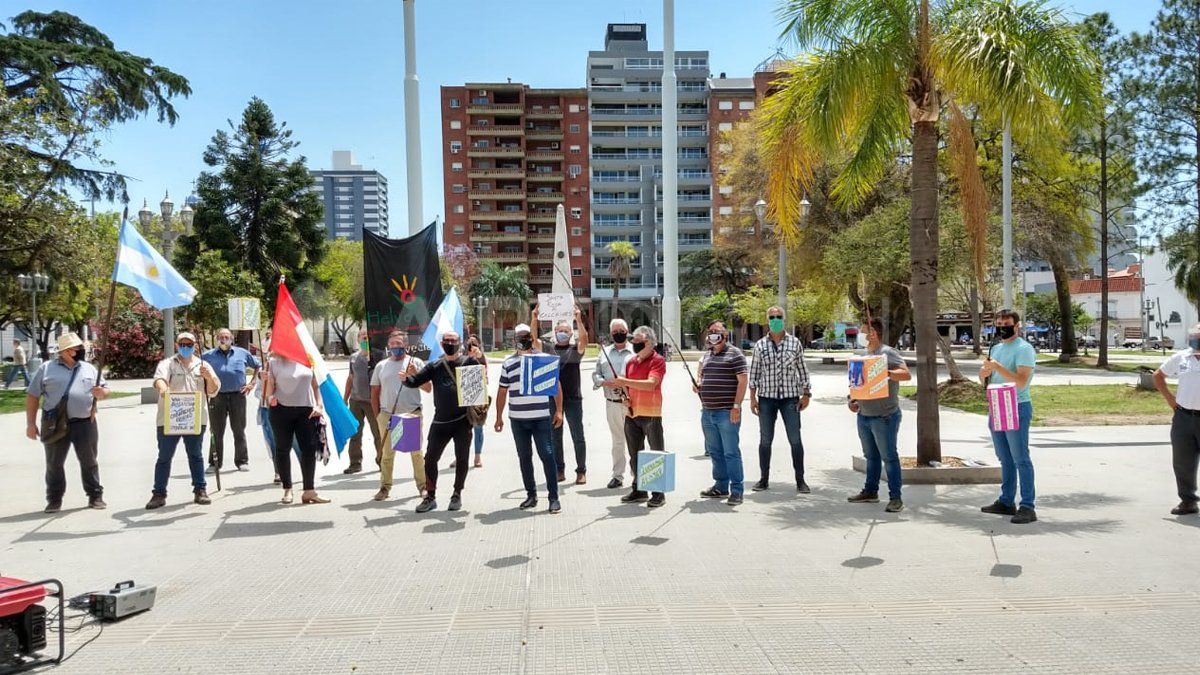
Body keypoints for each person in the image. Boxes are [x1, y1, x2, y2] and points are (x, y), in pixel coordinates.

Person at [25, 333, 107, 512]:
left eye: (80, 348)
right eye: (76, 348)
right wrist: (30, 424)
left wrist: (102, 393)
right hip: (54, 423)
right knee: (54, 463)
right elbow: (32, 397)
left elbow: (105, 391)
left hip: (85, 423)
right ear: (64, 351)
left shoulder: (89, 368)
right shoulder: (46, 369)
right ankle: (54, 499)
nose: (79, 351)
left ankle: (95, 496)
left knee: (89, 460)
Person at [402, 330, 483, 513]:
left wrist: (479, 358)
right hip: (441, 422)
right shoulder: (435, 366)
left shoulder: (468, 362)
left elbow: (481, 381)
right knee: (430, 459)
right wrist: (406, 379)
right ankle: (430, 497)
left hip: (463, 421)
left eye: (453, 340)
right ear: (441, 343)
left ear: (459, 342)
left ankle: (457, 494)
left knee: (462, 459)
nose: (450, 343)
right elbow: (417, 381)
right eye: (446, 340)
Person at [146, 332, 220, 510]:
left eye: (189, 344)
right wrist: (165, 391)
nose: (185, 347)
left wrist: (208, 377)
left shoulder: (203, 365)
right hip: (169, 419)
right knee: (164, 457)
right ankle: (159, 493)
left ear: (195, 345)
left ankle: (200, 490)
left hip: (195, 419)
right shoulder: (167, 364)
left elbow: (213, 391)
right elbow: (159, 380)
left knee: (196, 455)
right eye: (182, 344)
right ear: (177, 345)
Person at [496, 323, 565, 513]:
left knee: (547, 455)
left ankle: (553, 497)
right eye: (519, 337)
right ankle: (531, 495)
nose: (523, 340)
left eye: (526, 336)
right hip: (517, 419)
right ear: (514, 340)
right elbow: (502, 391)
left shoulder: (544, 360)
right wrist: (498, 416)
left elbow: (556, 386)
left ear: (532, 338)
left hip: (541, 417)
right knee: (524, 457)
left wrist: (559, 411)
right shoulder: (508, 363)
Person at [979, 309, 1038, 524]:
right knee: (1004, 457)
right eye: (999, 323)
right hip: (997, 404)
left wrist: (997, 367)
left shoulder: (1024, 349)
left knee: (1020, 457)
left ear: (1017, 325)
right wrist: (984, 373)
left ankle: (1027, 505)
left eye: (1006, 323)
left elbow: (1021, 381)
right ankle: (1006, 500)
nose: (1002, 326)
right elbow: (988, 376)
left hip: (1016, 404)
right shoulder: (996, 348)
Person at [846, 318, 911, 513]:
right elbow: (857, 385)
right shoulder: (864, 356)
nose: (860, 334)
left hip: (885, 416)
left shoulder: (887, 353)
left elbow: (906, 374)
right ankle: (870, 491)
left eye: (863, 331)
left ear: (873, 334)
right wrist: (852, 400)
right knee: (871, 457)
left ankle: (895, 498)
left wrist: (885, 372)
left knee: (889, 457)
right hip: (864, 415)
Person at [747, 306, 812, 493]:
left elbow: (802, 369)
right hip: (766, 399)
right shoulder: (760, 345)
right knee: (765, 440)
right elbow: (754, 373)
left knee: (795, 439)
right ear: (767, 320)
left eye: (779, 317)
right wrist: (752, 399)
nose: (776, 319)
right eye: (772, 317)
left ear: (784, 319)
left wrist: (806, 394)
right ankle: (763, 479)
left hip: (790, 399)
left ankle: (800, 480)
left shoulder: (795, 343)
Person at [602, 325, 668, 508]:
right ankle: (639, 489)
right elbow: (626, 386)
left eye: (639, 341)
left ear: (650, 342)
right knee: (635, 454)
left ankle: (658, 493)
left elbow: (651, 384)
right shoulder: (631, 361)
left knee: (655, 453)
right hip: (632, 414)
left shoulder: (658, 360)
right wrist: (626, 397)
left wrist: (625, 382)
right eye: (634, 341)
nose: (635, 344)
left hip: (651, 413)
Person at [264, 351, 330, 505]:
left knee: (308, 449)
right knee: (282, 448)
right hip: (281, 409)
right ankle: (287, 489)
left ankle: (309, 491)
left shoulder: (308, 359)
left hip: (306, 410)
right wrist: (267, 384)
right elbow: (269, 392)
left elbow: (315, 385)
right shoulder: (273, 362)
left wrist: (319, 405)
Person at [370, 331, 430, 501]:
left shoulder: (415, 362)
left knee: (416, 453)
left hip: (411, 414)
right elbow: (374, 392)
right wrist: (378, 415)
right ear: (389, 346)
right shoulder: (381, 366)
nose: (396, 347)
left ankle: (423, 486)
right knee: (387, 455)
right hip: (388, 415)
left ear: (405, 345)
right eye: (393, 344)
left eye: (399, 343)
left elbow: (428, 388)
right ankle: (384, 488)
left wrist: (414, 375)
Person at [533, 304, 589, 484]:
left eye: (566, 330)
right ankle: (559, 470)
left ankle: (581, 470)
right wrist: (534, 318)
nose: (562, 333)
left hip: (573, 399)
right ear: (554, 332)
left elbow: (584, 341)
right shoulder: (549, 349)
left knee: (577, 435)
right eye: (559, 330)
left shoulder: (575, 351)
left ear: (570, 333)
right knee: (555, 436)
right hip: (552, 399)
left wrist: (578, 320)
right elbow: (533, 340)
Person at [696, 320, 749, 506]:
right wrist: (700, 386)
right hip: (708, 412)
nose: (713, 334)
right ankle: (720, 486)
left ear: (725, 335)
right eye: (710, 331)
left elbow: (742, 381)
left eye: (716, 331)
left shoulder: (735, 354)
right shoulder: (708, 354)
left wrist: (737, 406)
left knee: (731, 452)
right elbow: (703, 376)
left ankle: (737, 490)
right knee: (715, 452)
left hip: (727, 412)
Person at [1153, 324, 1200, 516]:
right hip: (1183, 417)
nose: (1195, 338)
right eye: (1195, 335)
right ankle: (1188, 501)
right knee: (1182, 461)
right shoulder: (1182, 357)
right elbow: (1158, 376)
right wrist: (1171, 400)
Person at [202, 327, 261, 472]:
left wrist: (252, 383)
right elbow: (199, 371)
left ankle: (242, 461)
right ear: (217, 339)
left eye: (226, 337)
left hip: (238, 396)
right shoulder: (207, 356)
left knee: (239, 429)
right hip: (217, 396)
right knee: (216, 431)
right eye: (221, 337)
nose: (223, 339)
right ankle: (214, 463)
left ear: (231, 338)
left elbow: (258, 365)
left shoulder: (242, 353)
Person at [593, 319, 636, 489]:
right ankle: (618, 475)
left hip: (633, 402)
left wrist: (626, 383)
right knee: (617, 441)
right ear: (611, 334)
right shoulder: (603, 352)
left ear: (628, 331)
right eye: (615, 330)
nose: (619, 333)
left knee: (635, 440)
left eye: (622, 330)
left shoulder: (635, 351)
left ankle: (637, 476)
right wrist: (604, 382)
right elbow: (596, 374)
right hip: (612, 402)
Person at [344, 329, 383, 474]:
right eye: (362, 337)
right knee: (355, 433)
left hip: (372, 401)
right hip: (356, 401)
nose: (364, 339)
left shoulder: (378, 355)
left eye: (367, 337)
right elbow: (351, 377)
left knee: (378, 433)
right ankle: (355, 463)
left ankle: (382, 461)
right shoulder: (353, 357)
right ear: (358, 339)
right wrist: (345, 398)